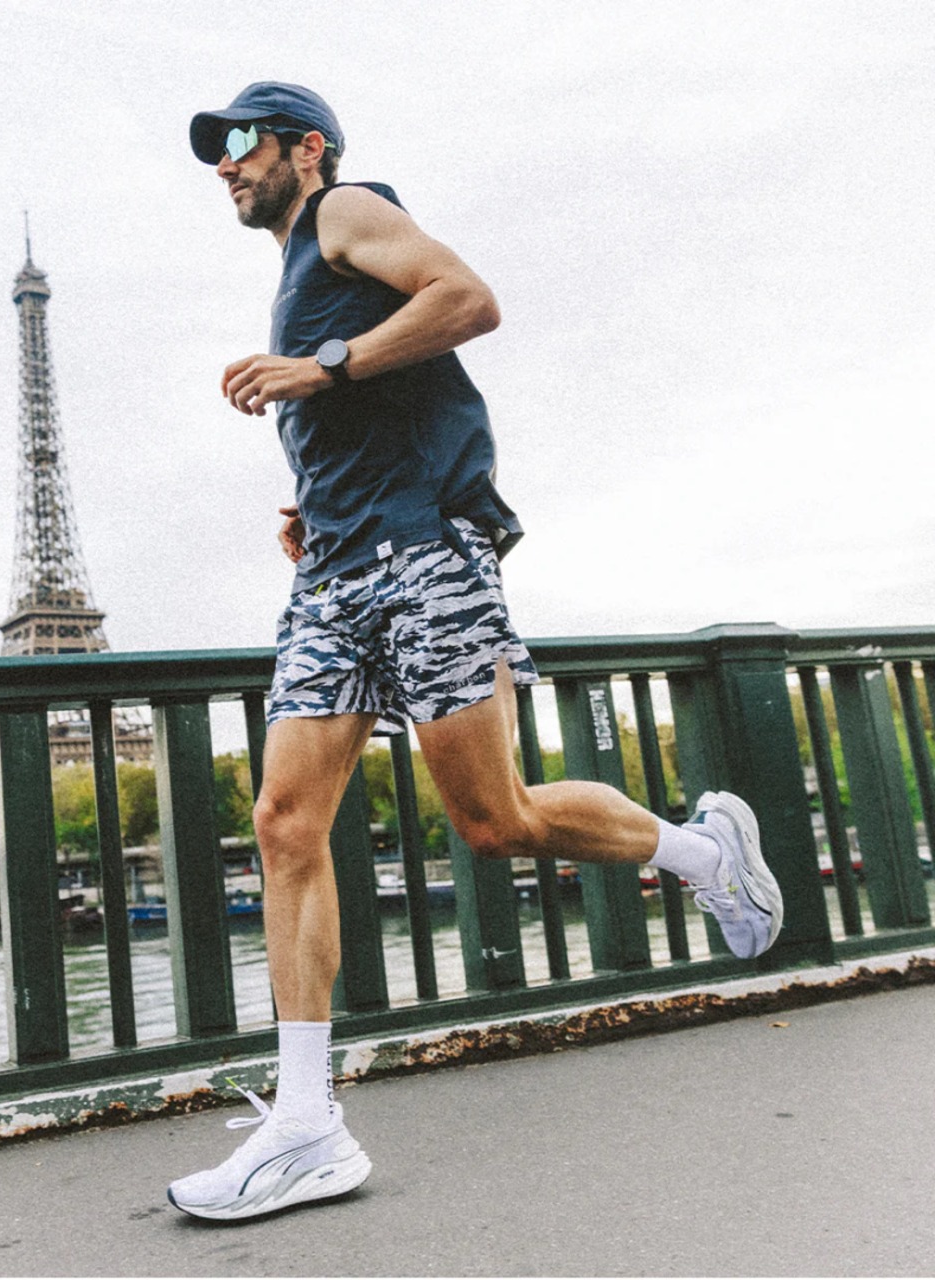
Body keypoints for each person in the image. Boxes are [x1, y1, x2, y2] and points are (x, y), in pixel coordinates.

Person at [170, 81, 784, 1222]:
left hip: (422, 555)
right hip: (334, 573)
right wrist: (313, 500)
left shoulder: (347, 209)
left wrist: (321, 366)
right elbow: (376, 407)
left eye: (243, 141)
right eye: (215, 150)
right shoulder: (294, 273)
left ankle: (703, 852)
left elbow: (466, 299)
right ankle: (304, 1125)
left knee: (492, 820)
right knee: (284, 823)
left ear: (306, 148)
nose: (225, 162)